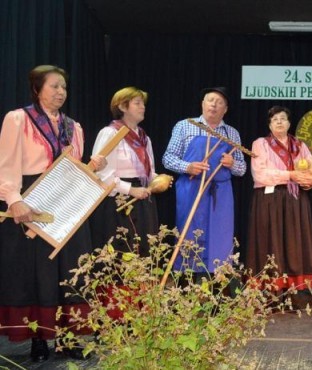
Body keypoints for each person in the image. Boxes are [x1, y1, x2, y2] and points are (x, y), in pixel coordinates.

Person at [0, 65, 106, 361]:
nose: (61, 92)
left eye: (64, 87)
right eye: (54, 86)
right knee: (38, 273)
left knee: (71, 270)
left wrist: (92, 167)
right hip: (34, 199)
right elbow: (7, 163)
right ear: (37, 89)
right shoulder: (19, 119)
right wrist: (13, 199)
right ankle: (38, 338)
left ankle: (69, 337)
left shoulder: (74, 127)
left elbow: (75, 169)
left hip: (69, 204)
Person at [162, 87, 246, 276]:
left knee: (220, 236)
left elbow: (242, 169)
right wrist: (188, 166)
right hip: (191, 189)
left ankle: (217, 283)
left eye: (220, 102)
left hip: (220, 194)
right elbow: (168, 158)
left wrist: (232, 164)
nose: (214, 105)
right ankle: (185, 282)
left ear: (226, 109)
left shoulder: (232, 133)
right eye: (210, 100)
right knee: (189, 234)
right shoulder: (185, 126)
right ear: (202, 104)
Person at [246, 106, 312, 307]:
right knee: (270, 245)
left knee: (293, 245)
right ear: (269, 124)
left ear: (290, 124)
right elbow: (260, 174)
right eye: (275, 119)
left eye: (283, 119)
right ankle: (269, 295)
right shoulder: (260, 144)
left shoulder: (300, 146)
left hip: (295, 201)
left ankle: (293, 294)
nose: (279, 122)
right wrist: (290, 175)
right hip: (269, 200)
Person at [91, 86, 159, 256]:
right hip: (119, 201)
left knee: (144, 249)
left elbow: (149, 173)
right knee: (122, 251)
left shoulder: (144, 137)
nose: (143, 107)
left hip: (142, 198)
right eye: (137, 103)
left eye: (143, 103)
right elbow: (101, 175)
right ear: (122, 106)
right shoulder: (110, 133)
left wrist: (158, 181)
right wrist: (131, 190)